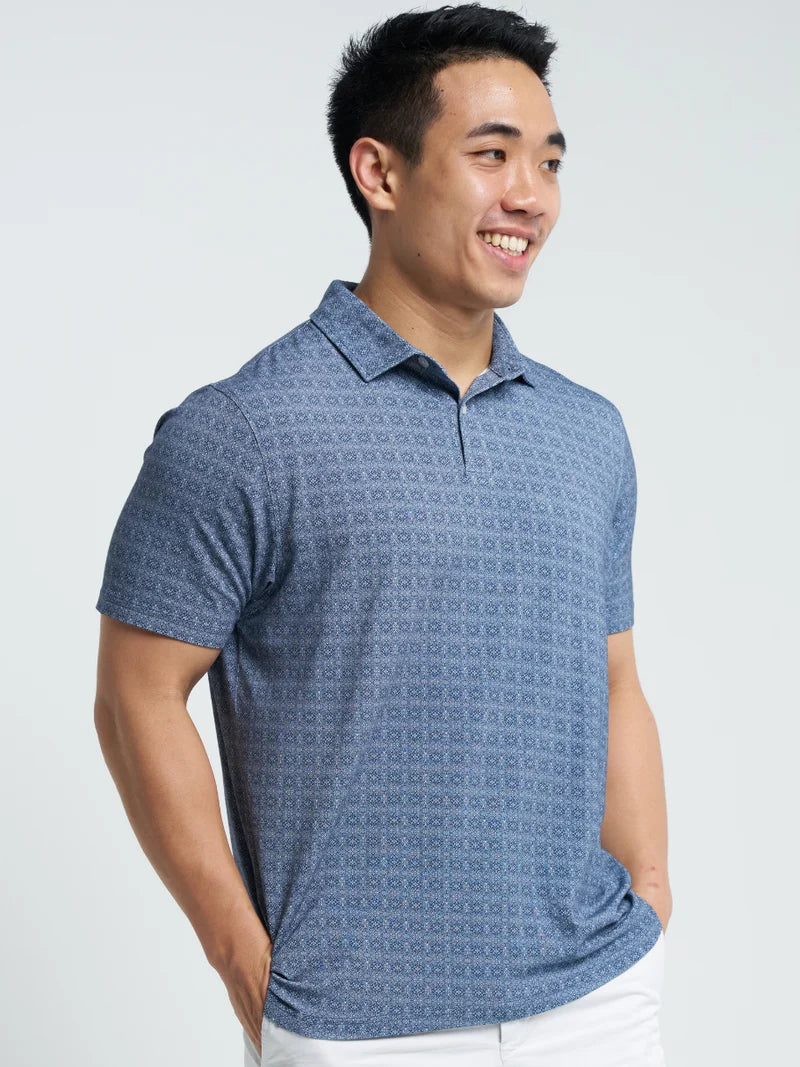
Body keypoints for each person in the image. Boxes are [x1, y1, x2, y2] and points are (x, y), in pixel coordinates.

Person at [93, 4, 672, 1065]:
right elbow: (135, 696)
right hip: (355, 1022)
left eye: (548, 161)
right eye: (491, 154)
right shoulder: (242, 429)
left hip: (597, 997)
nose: (530, 194)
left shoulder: (587, 431)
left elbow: (615, 677)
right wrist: (244, 959)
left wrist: (648, 896)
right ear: (379, 172)